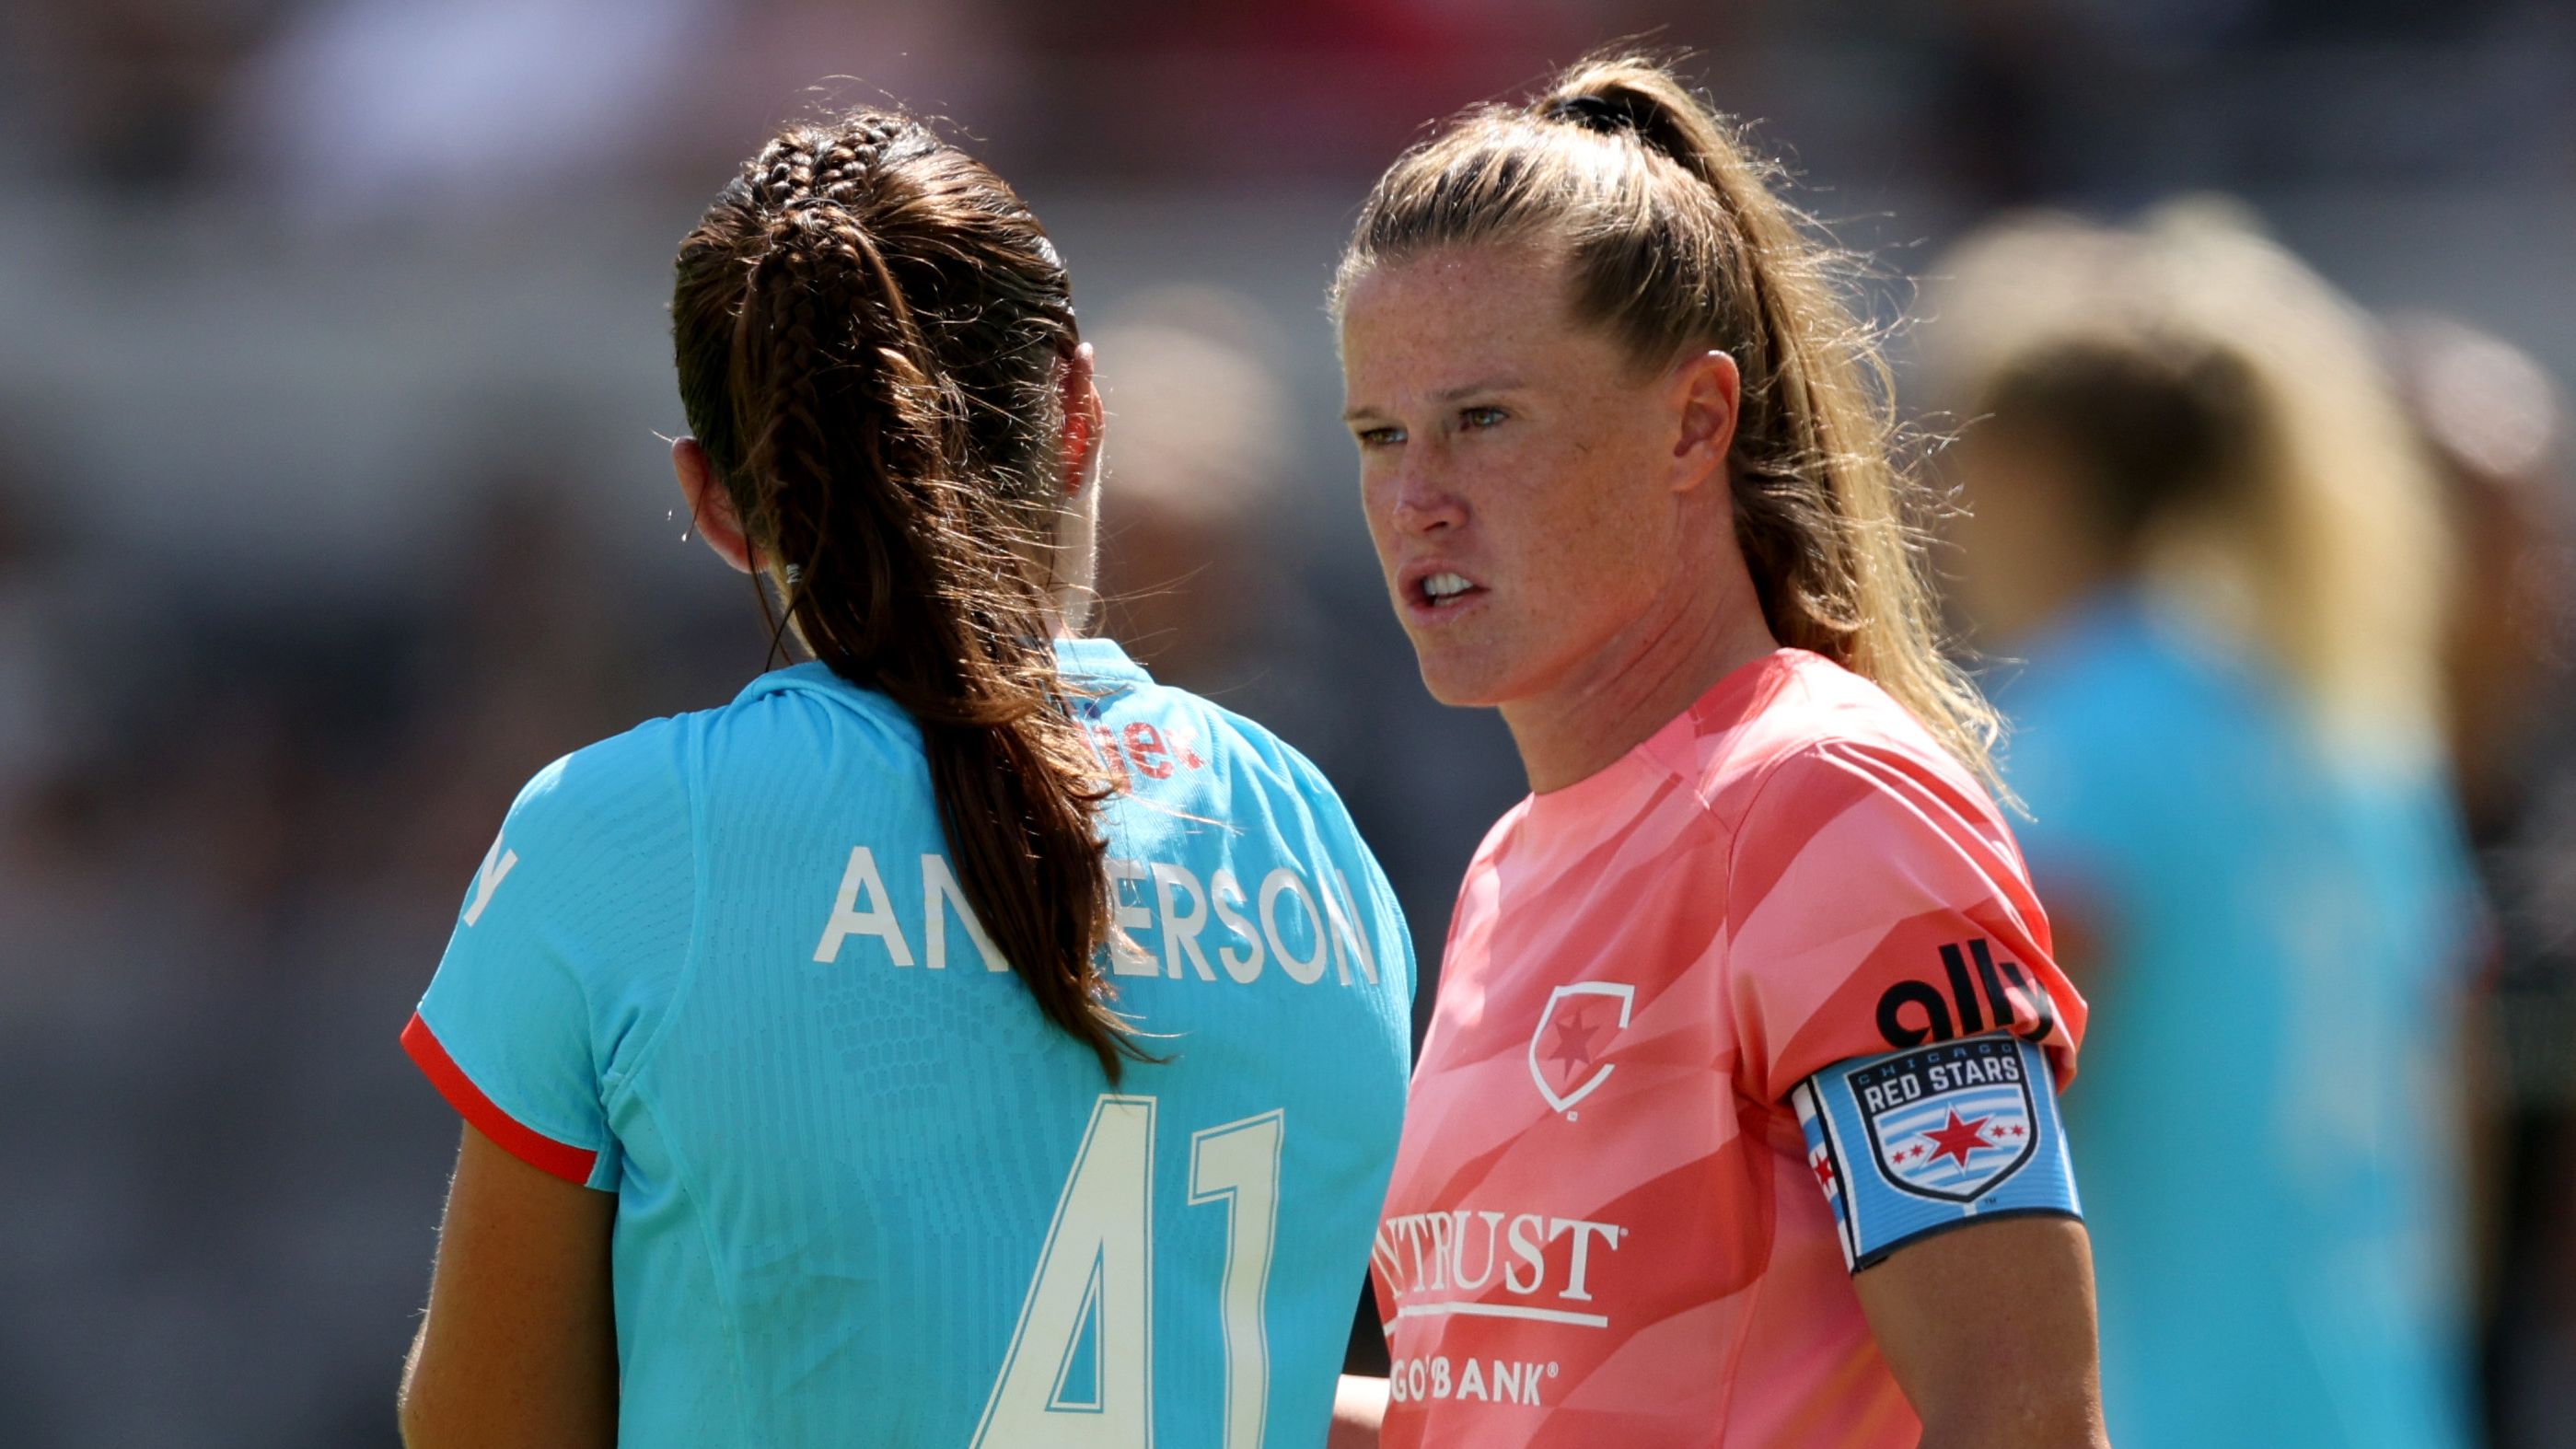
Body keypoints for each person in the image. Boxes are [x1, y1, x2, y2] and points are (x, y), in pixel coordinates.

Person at [393, 107, 1414, 1448]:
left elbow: (488, 1423)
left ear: (710, 501)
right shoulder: (1309, 838)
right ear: (1078, 412)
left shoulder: (617, 837)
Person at [1326, 53, 2102, 1448]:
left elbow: (2026, 1415)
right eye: (1379, 434)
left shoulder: (1829, 804)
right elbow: (1511, 1407)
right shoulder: (1512, 856)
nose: (1415, 499)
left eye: (1481, 420)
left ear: (1695, 421)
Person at [1928, 207, 2481, 1448]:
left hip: (2170, 1408)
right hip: (2376, 1406)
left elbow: (1987, 1131)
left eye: (1960, 450)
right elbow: (2450, 1110)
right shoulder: (2350, 727)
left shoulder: (2072, 746)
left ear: (2040, 468)